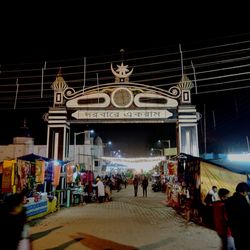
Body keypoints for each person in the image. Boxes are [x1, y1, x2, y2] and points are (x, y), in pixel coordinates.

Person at [225, 182, 250, 250]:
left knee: (238, 245)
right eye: (247, 192)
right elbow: (247, 216)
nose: (247, 193)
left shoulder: (228, 200)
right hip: (244, 230)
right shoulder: (242, 200)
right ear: (244, 191)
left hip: (234, 229)